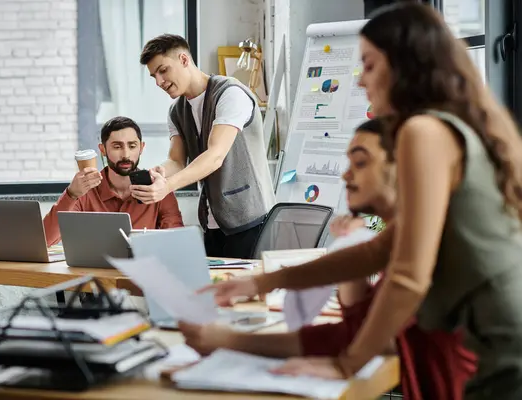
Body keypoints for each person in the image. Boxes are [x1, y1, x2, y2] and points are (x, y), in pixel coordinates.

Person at [199, 3, 522, 398]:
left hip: (493, 340)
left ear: (405, 66)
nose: (361, 82)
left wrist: (346, 364)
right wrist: (264, 281)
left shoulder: (424, 132)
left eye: (368, 66)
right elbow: (380, 250)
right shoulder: (450, 128)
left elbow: (407, 274)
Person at [179, 118, 477, 400]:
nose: (346, 174)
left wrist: (229, 340)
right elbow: (359, 326)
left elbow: (354, 339)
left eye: (360, 162)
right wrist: (260, 284)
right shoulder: (404, 238)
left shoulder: (428, 247)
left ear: (406, 169)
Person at [133, 34, 276, 259]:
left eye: (163, 70)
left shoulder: (230, 94)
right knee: (216, 293)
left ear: (183, 59)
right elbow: (177, 161)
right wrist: (159, 173)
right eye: (154, 76)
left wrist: (167, 186)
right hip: (212, 223)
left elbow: (215, 155)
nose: (159, 82)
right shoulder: (176, 111)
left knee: (246, 293)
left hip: (251, 220)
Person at [43, 116, 184, 246]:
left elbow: (176, 243)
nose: (126, 155)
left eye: (132, 146)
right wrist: (71, 194)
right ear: (103, 149)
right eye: (117, 146)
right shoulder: (85, 190)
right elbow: (47, 240)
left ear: (141, 148)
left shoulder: (158, 189)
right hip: (95, 270)